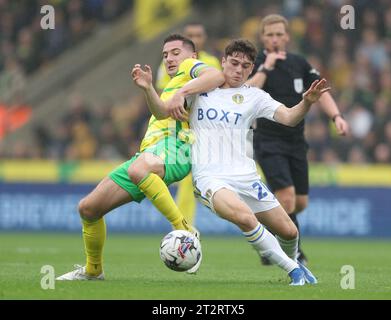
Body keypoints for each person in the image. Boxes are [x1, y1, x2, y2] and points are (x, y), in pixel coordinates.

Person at [134, 39, 325, 285]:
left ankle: (289, 268)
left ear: (251, 69)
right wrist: (149, 88)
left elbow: (289, 117)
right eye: (234, 63)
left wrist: (307, 102)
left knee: (289, 232)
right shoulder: (199, 90)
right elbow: (162, 111)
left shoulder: (255, 96)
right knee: (246, 218)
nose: (239, 70)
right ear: (223, 62)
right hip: (210, 178)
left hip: (246, 177)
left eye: (245, 66)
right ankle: (295, 271)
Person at [56, 34, 225, 280]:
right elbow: (161, 111)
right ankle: (93, 270)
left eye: (176, 52)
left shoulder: (190, 70)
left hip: (177, 148)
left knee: (138, 170)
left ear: (192, 56)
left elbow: (217, 76)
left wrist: (182, 93)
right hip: (149, 154)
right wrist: (148, 89)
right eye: (165, 54)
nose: (169, 58)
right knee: (88, 208)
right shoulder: (172, 84)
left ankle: (185, 229)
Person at [246, 14, 349, 265]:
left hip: (295, 141)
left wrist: (336, 116)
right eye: (269, 35)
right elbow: (246, 92)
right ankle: (294, 255)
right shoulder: (256, 61)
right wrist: (266, 67)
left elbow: (319, 91)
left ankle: (269, 232)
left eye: (279, 34)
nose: (275, 39)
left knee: (299, 202)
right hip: (268, 140)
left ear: (287, 36)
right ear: (262, 38)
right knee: (288, 197)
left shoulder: (299, 62)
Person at [156, 22, 222, 227]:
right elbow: (164, 96)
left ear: (204, 39)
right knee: (186, 184)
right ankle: (183, 230)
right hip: (184, 130)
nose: (196, 37)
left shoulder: (212, 62)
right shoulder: (167, 65)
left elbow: (218, 88)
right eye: (191, 34)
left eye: (199, 34)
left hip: (209, 130)